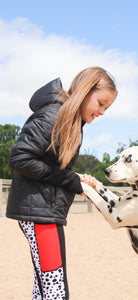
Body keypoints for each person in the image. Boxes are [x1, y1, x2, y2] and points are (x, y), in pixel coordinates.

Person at [6, 66, 117, 300]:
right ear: (86, 91)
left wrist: (74, 178)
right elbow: (20, 158)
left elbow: (50, 166)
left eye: (106, 107)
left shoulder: (69, 120)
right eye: (101, 103)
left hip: (43, 212)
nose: (103, 111)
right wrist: (68, 179)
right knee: (55, 289)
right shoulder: (54, 115)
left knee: (45, 286)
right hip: (40, 215)